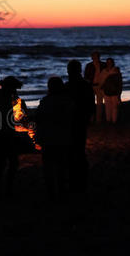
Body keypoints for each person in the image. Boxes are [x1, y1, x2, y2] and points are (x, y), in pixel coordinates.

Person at [36, 77, 74, 200]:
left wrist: (38, 137)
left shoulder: (45, 101)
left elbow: (39, 120)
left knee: (48, 167)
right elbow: (71, 119)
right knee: (61, 165)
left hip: (48, 137)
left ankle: (51, 192)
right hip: (62, 136)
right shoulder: (67, 101)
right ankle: (62, 190)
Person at [65, 60, 95, 194]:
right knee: (79, 150)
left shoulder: (67, 86)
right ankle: (82, 179)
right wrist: (89, 116)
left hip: (71, 121)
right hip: (80, 120)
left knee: (71, 151)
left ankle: (74, 179)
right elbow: (91, 103)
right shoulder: (85, 85)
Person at [0, 76, 23, 199]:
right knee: (10, 163)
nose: (15, 92)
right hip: (3, 135)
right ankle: (5, 189)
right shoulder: (3, 99)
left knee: (0, 163)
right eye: (14, 89)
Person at [84, 51, 106, 122]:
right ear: (92, 57)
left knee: (100, 104)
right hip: (91, 86)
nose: (95, 58)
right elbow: (86, 76)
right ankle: (91, 119)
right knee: (91, 103)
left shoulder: (103, 65)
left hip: (100, 86)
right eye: (94, 56)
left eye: (96, 56)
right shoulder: (89, 65)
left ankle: (98, 119)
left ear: (99, 57)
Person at [100, 58, 123, 124]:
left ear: (112, 63)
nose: (109, 63)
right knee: (108, 107)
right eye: (108, 62)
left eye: (110, 62)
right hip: (106, 91)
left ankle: (114, 121)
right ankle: (109, 120)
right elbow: (101, 81)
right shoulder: (104, 71)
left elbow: (119, 82)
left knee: (114, 107)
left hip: (114, 91)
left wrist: (119, 92)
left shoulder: (116, 70)